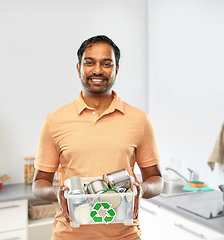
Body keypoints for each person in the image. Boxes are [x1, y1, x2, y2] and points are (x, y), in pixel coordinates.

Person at [32, 35, 163, 240]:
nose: (98, 70)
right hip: (69, 235)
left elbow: (156, 180)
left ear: (116, 69)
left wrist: (142, 189)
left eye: (107, 63)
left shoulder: (139, 120)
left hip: (125, 235)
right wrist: (58, 193)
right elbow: (39, 183)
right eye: (89, 62)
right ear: (78, 68)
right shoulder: (54, 121)